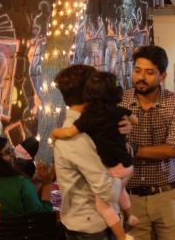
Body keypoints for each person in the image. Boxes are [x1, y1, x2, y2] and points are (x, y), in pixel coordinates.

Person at [51, 71, 139, 240]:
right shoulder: (78, 135)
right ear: (89, 93)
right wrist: (127, 173)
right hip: (91, 229)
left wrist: (122, 135)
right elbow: (107, 190)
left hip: (99, 224)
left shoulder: (98, 123)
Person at [121, 46, 175, 240]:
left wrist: (131, 150)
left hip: (166, 194)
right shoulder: (120, 102)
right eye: (137, 70)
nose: (141, 77)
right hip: (129, 197)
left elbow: (173, 148)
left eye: (149, 72)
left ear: (162, 76)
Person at [0, 136, 54, 217]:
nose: (14, 154)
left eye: (12, 149)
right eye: (8, 151)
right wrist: (47, 184)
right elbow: (43, 217)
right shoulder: (21, 184)